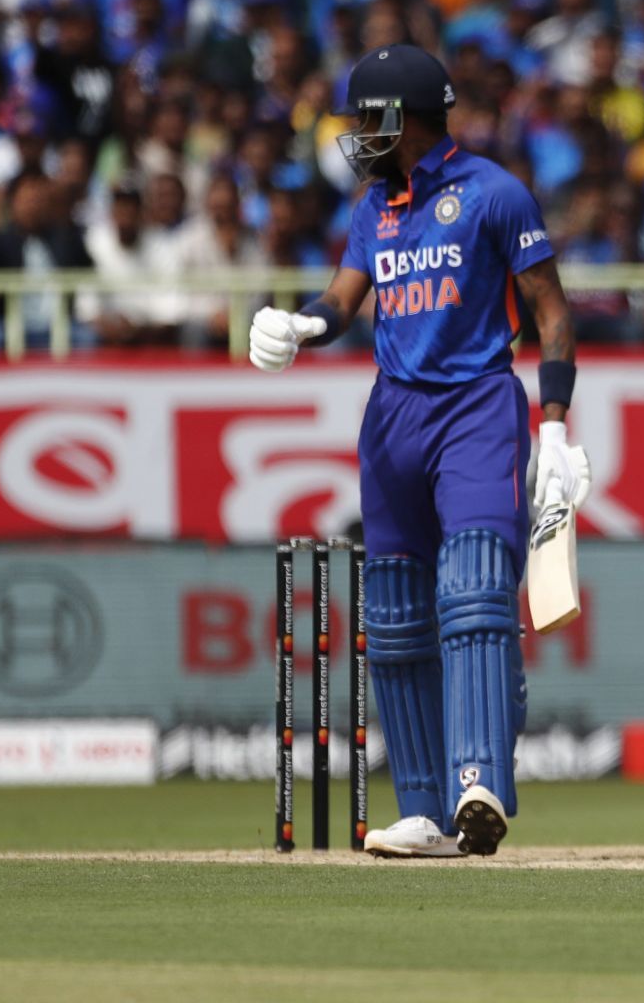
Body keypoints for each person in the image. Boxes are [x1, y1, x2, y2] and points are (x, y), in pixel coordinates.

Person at [246, 44, 590, 860]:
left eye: (367, 118)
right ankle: (426, 810)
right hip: (392, 416)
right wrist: (300, 325)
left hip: (477, 405)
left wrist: (552, 426)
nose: (358, 134)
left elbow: (552, 313)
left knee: (473, 596)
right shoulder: (375, 207)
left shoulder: (494, 194)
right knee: (396, 617)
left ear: (404, 116)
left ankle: (482, 785)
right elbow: (342, 299)